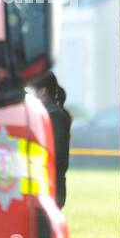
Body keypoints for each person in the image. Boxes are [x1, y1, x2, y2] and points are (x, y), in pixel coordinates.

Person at [36, 74, 72, 208]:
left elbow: (56, 154)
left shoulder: (53, 116)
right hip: (46, 187)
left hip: (50, 189)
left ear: (43, 91)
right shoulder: (46, 114)